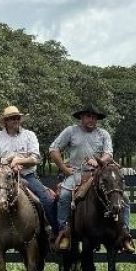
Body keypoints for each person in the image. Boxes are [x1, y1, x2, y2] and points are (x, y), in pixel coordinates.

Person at [0, 106, 57, 258]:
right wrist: (9, 164)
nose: (15, 120)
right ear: (5, 122)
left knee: (45, 200)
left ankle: (52, 235)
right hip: (3, 178)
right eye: (11, 118)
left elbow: (36, 158)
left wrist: (20, 161)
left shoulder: (29, 135)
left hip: (27, 176)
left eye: (17, 118)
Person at [49, 105, 113, 251]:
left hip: (98, 173)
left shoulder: (103, 134)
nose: (92, 119)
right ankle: (63, 229)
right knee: (64, 195)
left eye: (94, 117)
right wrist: (64, 169)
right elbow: (53, 149)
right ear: (81, 117)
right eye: (89, 116)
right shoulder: (71, 131)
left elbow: (109, 154)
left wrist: (99, 161)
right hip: (76, 173)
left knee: (122, 198)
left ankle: (123, 231)